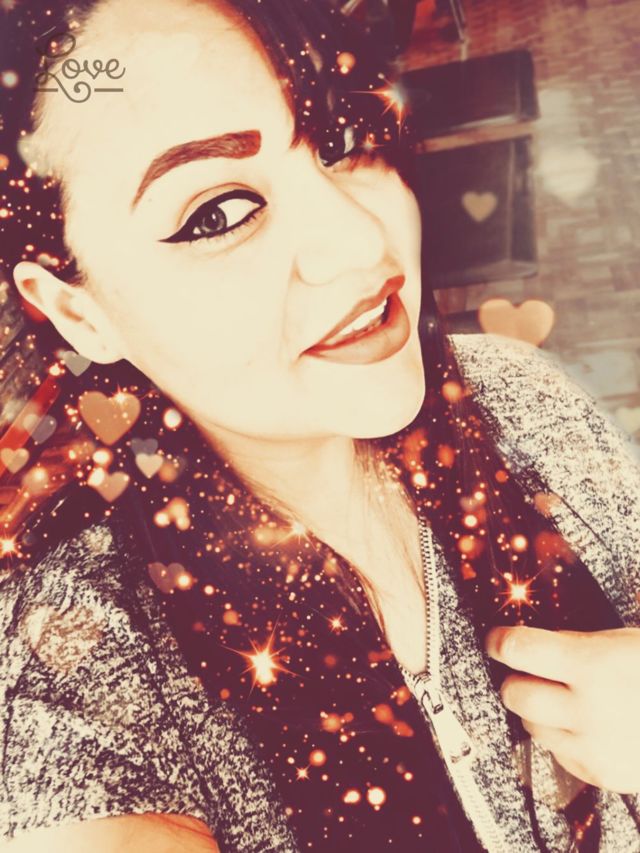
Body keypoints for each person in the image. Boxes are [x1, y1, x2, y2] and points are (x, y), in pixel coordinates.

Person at [0, 0, 639, 851]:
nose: (362, 240)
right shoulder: (79, 667)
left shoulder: (517, 397)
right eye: (218, 213)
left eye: (338, 141)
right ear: (78, 313)